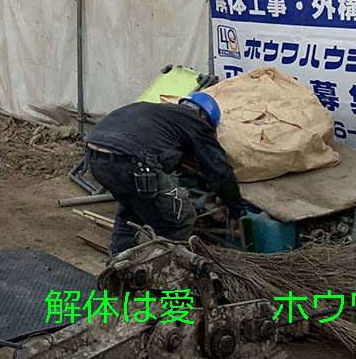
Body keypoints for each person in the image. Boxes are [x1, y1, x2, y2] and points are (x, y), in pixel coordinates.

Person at [86, 92, 243, 255]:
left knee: (132, 211)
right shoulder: (195, 121)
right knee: (181, 219)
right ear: (204, 117)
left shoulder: (160, 114)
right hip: (131, 160)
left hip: (94, 156)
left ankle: (118, 265)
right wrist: (235, 209)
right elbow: (219, 170)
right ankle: (158, 269)